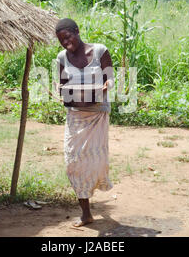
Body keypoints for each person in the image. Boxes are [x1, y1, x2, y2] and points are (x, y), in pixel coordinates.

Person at [55, 18, 115, 227]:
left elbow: (111, 79)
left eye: (68, 37)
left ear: (77, 31)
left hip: (97, 113)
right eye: (61, 40)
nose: (65, 42)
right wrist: (61, 91)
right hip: (75, 115)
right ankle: (86, 213)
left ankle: (93, 196)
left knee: (96, 162)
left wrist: (104, 87)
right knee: (73, 162)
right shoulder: (62, 57)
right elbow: (62, 85)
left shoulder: (99, 51)